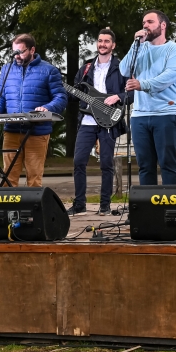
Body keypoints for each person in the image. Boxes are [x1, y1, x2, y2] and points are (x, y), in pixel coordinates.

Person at [67, 29, 131, 216]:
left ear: (113, 45)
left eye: (107, 41)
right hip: (87, 121)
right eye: (100, 40)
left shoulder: (122, 67)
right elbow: (75, 93)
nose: (102, 44)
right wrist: (58, 90)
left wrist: (117, 97)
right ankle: (79, 204)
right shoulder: (86, 68)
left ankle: (105, 204)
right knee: (79, 161)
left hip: (109, 121)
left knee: (106, 164)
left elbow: (132, 93)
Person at [119, 9, 176, 185]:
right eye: (143, 23)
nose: (145, 26)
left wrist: (142, 85)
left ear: (162, 25)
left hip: (165, 113)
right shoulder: (140, 48)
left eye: (150, 22)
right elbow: (124, 70)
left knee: (168, 164)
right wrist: (136, 44)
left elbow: (169, 76)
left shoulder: (175, 49)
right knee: (145, 166)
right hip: (140, 116)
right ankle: (149, 210)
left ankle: (171, 209)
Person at [0, 33, 67, 187]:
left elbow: (61, 97)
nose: (16, 56)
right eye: (14, 52)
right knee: (8, 178)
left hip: (37, 132)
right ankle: (8, 210)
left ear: (32, 50)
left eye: (21, 52)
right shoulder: (7, 69)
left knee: (34, 178)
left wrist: (47, 108)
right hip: (11, 130)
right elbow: (1, 95)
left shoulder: (49, 70)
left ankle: (31, 210)